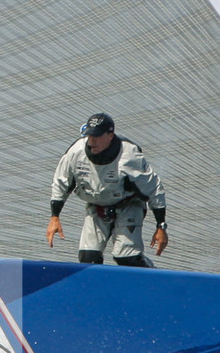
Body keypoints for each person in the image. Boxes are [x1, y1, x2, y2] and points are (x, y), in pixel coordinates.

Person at [47, 113, 167, 266]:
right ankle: (96, 289)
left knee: (126, 258)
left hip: (128, 205)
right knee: (88, 259)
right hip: (96, 206)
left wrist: (161, 225)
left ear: (110, 136)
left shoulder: (129, 156)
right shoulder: (75, 153)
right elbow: (60, 182)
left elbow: (154, 188)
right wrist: (54, 216)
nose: (91, 141)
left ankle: (150, 278)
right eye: (89, 135)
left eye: (96, 136)